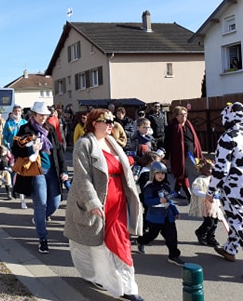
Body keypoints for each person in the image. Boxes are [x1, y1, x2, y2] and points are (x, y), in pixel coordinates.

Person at [64, 108, 143, 301]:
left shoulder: (112, 141)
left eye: (112, 120)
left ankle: (128, 287)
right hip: (98, 201)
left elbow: (120, 166)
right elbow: (82, 178)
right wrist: (92, 202)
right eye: (106, 121)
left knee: (120, 242)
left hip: (118, 199)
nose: (111, 124)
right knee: (93, 244)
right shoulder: (84, 144)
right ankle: (97, 277)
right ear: (94, 123)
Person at [12, 101, 68, 254]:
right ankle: (43, 239)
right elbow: (15, 149)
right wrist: (30, 148)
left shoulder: (50, 128)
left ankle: (39, 219)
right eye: (41, 115)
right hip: (35, 172)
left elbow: (58, 150)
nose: (44, 117)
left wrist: (64, 170)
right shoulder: (25, 129)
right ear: (33, 115)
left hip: (53, 171)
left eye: (45, 115)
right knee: (41, 205)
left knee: (56, 202)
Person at [206, 102, 243, 262]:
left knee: (238, 222)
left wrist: (210, 192)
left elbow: (221, 170)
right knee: (237, 220)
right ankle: (230, 249)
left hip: (234, 188)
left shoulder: (228, 137)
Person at [136, 161, 185, 267]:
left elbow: (169, 200)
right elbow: (147, 201)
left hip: (168, 217)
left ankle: (173, 255)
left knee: (172, 236)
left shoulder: (166, 186)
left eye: (162, 173)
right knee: (151, 235)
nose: (160, 175)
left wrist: (175, 211)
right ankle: (140, 241)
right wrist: (159, 200)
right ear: (153, 174)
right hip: (155, 217)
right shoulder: (149, 187)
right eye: (158, 173)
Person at [164, 106, 203, 202]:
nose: (184, 116)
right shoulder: (172, 127)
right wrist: (165, 156)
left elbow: (194, 139)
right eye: (181, 114)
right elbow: (167, 142)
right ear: (176, 116)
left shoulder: (189, 125)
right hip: (178, 154)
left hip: (190, 154)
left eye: (185, 114)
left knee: (182, 174)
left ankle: (176, 191)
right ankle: (189, 195)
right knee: (182, 173)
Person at [189, 159, 221, 247]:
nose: (210, 170)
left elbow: (218, 188)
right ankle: (200, 233)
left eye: (211, 168)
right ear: (201, 170)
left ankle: (210, 237)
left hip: (214, 204)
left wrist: (218, 193)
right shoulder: (199, 180)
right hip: (205, 205)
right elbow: (195, 191)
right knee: (209, 222)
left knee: (215, 222)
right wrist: (206, 195)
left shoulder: (213, 179)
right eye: (207, 168)